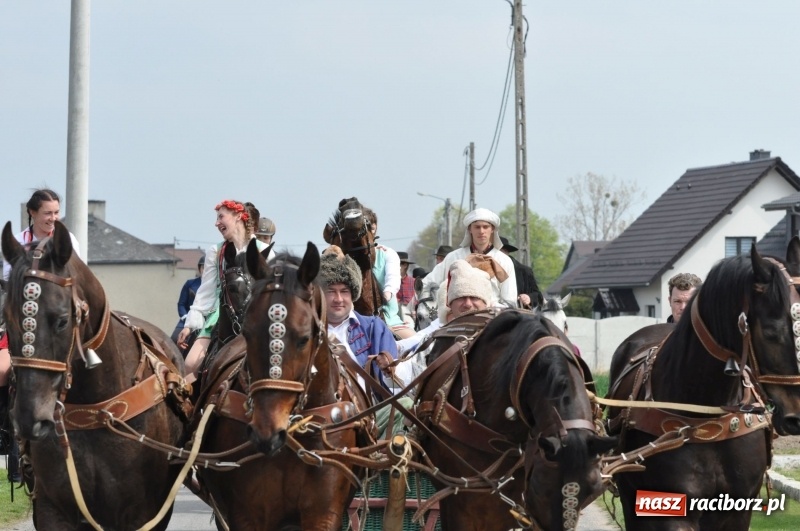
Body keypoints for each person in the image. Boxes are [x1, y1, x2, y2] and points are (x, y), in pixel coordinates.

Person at [2, 189, 79, 483]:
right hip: (24, 320)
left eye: (56, 212)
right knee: (3, 371)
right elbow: (11, 284)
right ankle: (13, 444)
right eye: (48, 213)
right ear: (32, 213)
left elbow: (79, 277)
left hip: (58, 318)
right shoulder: (18, 244)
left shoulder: (68, 241)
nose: (53, 218)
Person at [318, 248, 411, 438]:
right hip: (320, 416)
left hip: (369, 414)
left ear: (353, 294)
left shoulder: (373, 328)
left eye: (344, 291)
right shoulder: (308, 332)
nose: (338, 299)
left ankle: (384, 463)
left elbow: (395, 387)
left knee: (407, 406)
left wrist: (389, 370)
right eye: (331, 292)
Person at [177, 200, 271, 379]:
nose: (216, 223)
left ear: (238, 217)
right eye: (216, 218)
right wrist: (190, 325)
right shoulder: (216, 251)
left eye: (221, 217)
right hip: (222, 313)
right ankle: (196, 406)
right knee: (190, 364)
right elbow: (207, 291)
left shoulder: (264, 250)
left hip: (258, 313)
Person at [420, 207, 517, 306]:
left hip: (493, 314)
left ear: (492, 229)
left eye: (485, 227)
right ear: (470, 229)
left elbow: (509, 299)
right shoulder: (454, 257)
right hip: (457, 315)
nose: (481, 231)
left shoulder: (504, 260)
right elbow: (426, 284)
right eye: (477, 227)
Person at [363, 208, 414, 339]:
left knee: (418, 343)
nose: (369, 233)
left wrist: (389, 290)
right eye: (365, 229)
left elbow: (393, 276)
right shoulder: (347, 256)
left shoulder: (387, 253)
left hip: (387, 317)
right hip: (354, 321)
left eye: (372, 229)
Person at [170, 256, 205, 357]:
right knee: (174, 338)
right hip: (186, 320)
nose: (205, 271)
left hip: (205, 321)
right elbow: (181, 304)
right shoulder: (190, 284)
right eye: (203, 268)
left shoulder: (216, 285)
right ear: (199, 269)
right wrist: (186, 318)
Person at [499, 236, 543, 309]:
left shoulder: (524, 271)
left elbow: (538, 296)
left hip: (517, 315)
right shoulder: (480, 268)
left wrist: (529, 297)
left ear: (506, 252)